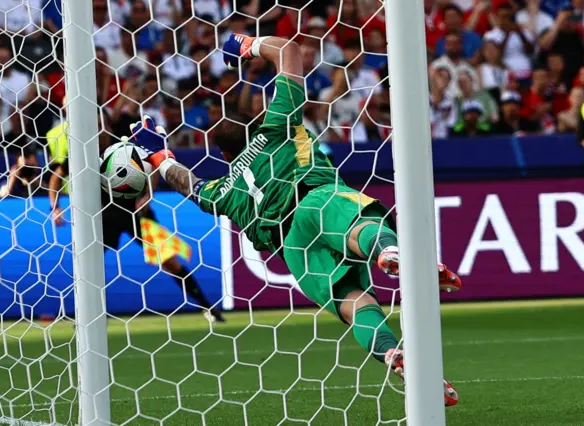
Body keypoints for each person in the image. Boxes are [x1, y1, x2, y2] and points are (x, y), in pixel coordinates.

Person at [128, 34, 461, 406]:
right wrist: (245, 44)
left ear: (222, 153)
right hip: (313, 198)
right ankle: (389, 253)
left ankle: (391, 354)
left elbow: (189, 185)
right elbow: (288, 50)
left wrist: (159, 156)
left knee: (355, 303)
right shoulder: (277, 128)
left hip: (295, 249)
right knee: (356, 227)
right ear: (255, 124)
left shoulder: (221, 191)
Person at [46, 114, 224, 322]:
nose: (97, 129)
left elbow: (153, 163)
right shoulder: (82, 151)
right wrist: (55, 207)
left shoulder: (123, 146)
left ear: (108, 124)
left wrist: (149, 194)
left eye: (100, 124)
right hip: (104, 216)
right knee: (89, 266)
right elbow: (56, 176)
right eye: (93, 125)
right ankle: (85, 317)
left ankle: (207, 307)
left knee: (169, 261)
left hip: (136, 213)